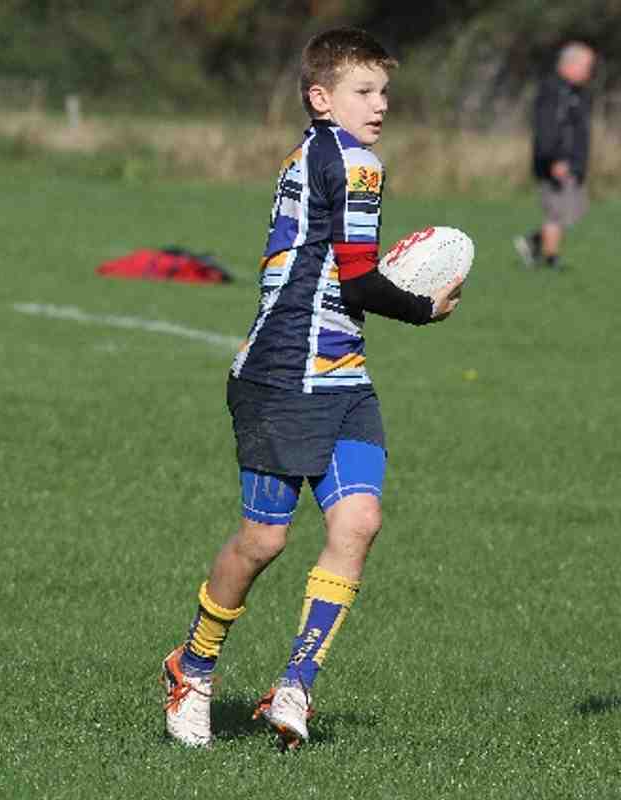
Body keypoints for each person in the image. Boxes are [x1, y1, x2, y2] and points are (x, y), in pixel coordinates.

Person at [160, 27, 462, 750]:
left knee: (358, 522)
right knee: (264, 540)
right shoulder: (353, 162)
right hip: (280, 378)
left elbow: (342, 275)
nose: (380, 104)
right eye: (364, 91)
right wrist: (425, 306)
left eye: (385, 91)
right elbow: (358, 278)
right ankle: (193, 666)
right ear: (321, 98)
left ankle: (295, 685)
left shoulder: (315, 153)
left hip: (342, 375)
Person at [513, 41, 595, 270]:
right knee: (557, 211)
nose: (590, 72)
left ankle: (533, 242)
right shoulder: (553, 91)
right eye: (587, 66)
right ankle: (551, 259)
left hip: (572, 164)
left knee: (575, 209)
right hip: (557, 163)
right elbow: (548, 129)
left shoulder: (576, 92)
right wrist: (554, 159)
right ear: (571, 64)